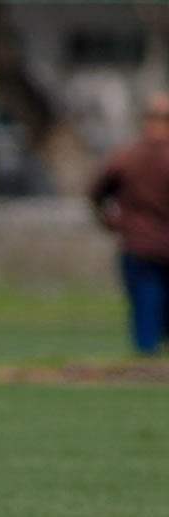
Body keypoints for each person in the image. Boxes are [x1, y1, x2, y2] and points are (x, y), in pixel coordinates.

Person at [88, 89, 169, 356]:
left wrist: (109, 222)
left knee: (145, 305)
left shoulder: (126, 157)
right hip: (153, 244)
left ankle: (147, 358)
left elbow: (95, 193)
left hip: (138, 244)